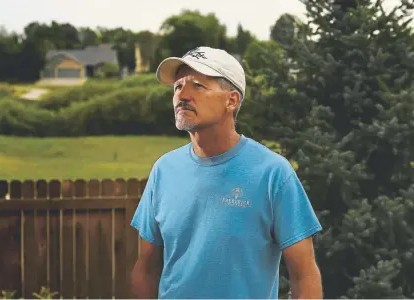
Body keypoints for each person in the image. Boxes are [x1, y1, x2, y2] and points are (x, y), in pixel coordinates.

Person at [130, 46, 323, 299]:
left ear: (231, 100)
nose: (182, 95)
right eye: (177, 86)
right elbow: (146, 269)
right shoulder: (164, 170)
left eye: (197, 85)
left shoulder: (272, 173)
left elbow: (304, 274)